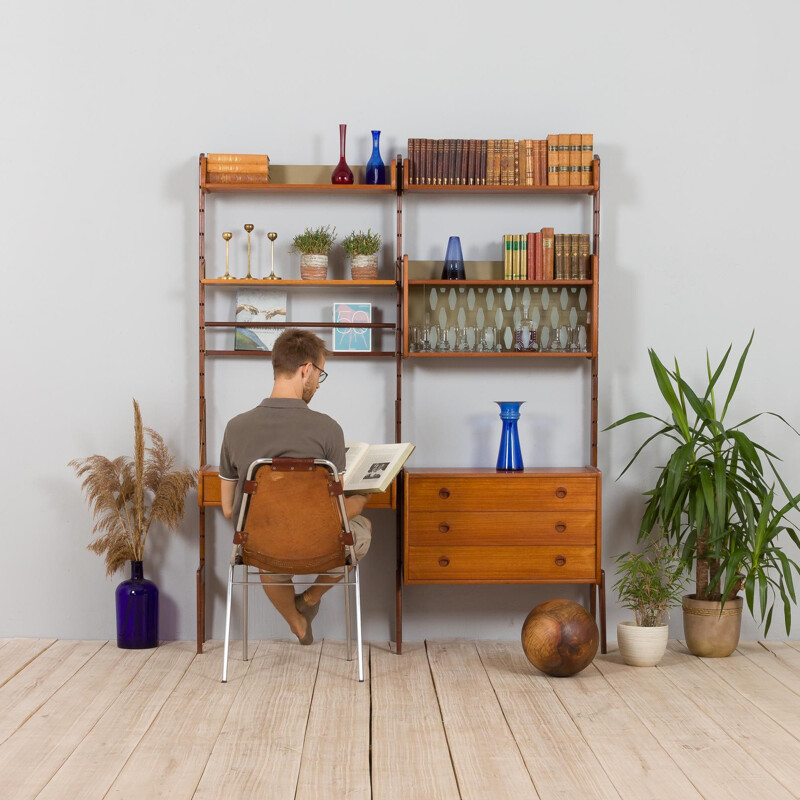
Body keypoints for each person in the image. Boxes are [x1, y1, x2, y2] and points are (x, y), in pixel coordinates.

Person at [219, 328, 371, 645]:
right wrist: (365, 498)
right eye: (320, 374)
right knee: (362, 530)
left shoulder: (235, 428)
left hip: (264, 549)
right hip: (322, 546)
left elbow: (229, 508)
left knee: (263, 551)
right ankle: (310, 598)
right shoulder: (329, 429)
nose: (318, 383)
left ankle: (296, 622)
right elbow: (339, 511)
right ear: (306, 369)